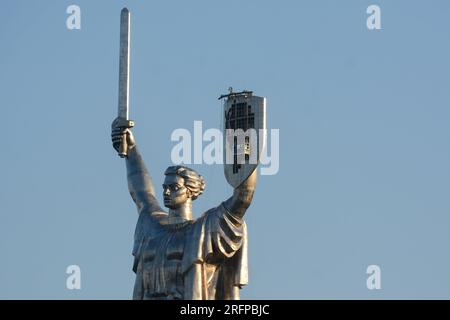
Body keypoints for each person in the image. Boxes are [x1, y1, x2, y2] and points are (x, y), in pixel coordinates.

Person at [111, 118, 257, 300]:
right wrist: (130, 150)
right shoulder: (152, 226)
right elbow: (141, 193)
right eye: (165, 187)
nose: (166, 191)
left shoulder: (203, 229)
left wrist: (243, 141)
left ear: (190, 191)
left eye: (173, 187)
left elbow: (243, 197)